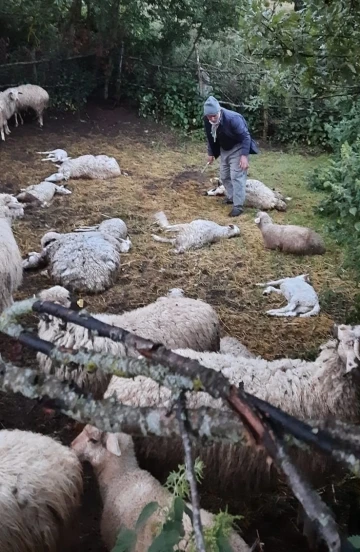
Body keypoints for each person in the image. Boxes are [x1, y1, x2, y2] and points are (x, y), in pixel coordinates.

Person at [203, 96, 259, 217]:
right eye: (209, 116)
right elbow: (210, 136)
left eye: (214, 115)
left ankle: (238, 206)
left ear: (219, 111)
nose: (212, 118)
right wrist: (211, 152)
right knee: (224, 175)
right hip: (225, 148)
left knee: (236, 176)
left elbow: (245, 137)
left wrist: (244, 156)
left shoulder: (233, 119)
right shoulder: (207, 120)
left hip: (238, 147)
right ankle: (232, 197)